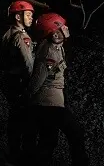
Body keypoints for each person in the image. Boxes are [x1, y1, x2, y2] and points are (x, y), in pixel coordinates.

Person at [25, 12, 89, 166]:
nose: (66, 29)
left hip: (50, 102)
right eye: (62, 28)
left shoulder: (56, 47)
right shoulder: (49, 51)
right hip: (49, 103)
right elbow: (38, 79)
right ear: (54, 34)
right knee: (75, 133)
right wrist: (28, 97)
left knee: (49, 139)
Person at [0, 0, 35, 162]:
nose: (31, 18)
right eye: (27, 15)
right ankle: (23, 155)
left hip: (9, 80)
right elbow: (29, 64)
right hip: (20, 83)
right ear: (18, 17)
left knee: (14, 116)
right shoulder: (22, 37)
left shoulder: (8, 33)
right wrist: (34, 85)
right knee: (25, 119)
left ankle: (13, 151)